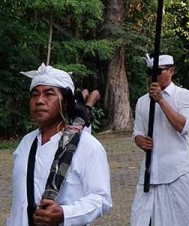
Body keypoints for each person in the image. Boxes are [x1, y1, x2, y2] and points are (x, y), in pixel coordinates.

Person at [8, 64, 111, 226]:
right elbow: (18, 204)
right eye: (35, 95)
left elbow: (101, 199)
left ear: (65, 103)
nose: (39, 101)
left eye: (49, 94)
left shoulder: (88, 146)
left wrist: (65, 214)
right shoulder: (26, 144)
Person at [131, 54, 189, 226]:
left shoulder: (186, 96)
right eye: (150, 72)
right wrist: (140, 141)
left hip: (176, 174)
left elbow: (184, 127)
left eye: (158, 71)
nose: (154, 76)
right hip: (149, 174)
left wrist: (160, 100)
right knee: (141, 221)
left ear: (171, 71)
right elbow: (137, 132)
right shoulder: (141, 102)